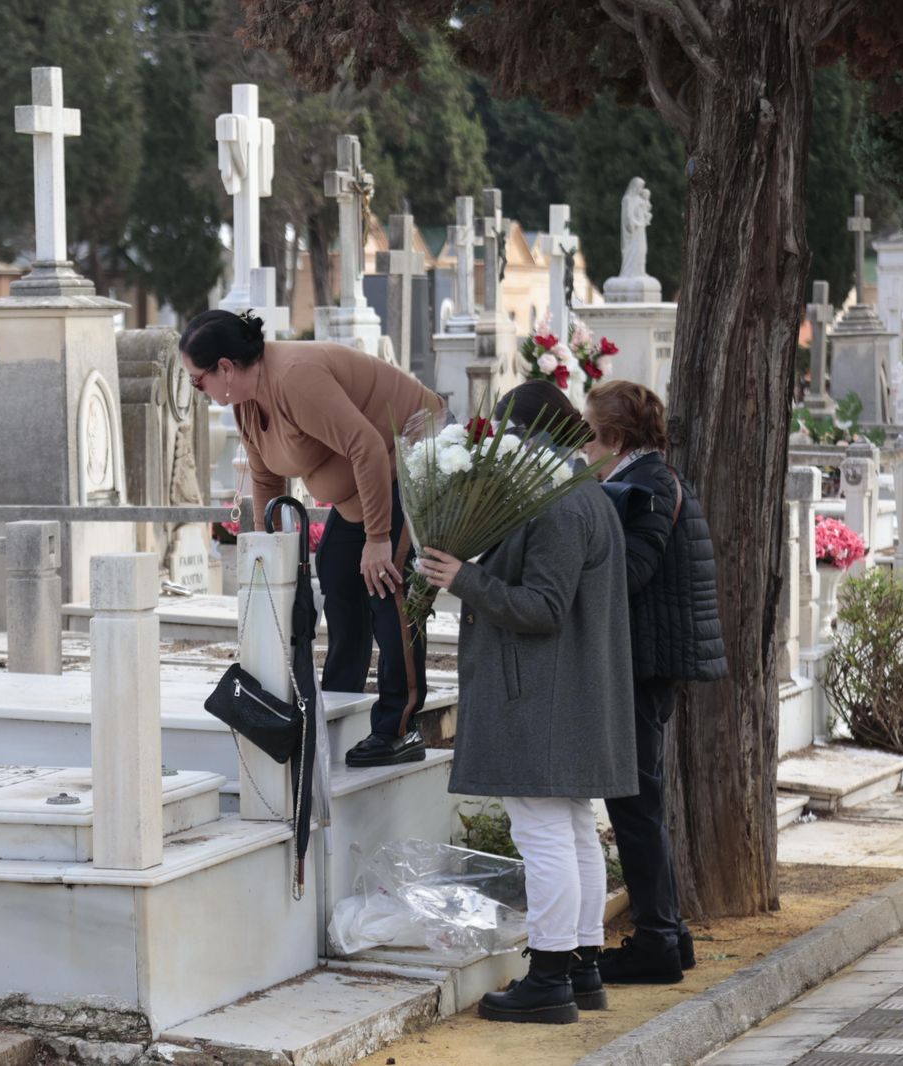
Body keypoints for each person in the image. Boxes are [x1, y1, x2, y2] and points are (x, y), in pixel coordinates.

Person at [418, 380, 637, 1024]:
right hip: (561, 693)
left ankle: (549, 978)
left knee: (544, 833)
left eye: (509, 437)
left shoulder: (560, 503)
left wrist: (465, 578)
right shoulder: (576, 491)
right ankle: (581, 966)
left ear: (530, 436)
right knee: (571, 831)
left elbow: (543, 608)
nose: (504, 450)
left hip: (542, 696)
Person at [178, 309, 447, 767]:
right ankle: (340, 699)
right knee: (337, 572)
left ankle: (399, 728)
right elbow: (266, 479)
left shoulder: (294, 378)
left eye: (196, 380)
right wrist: (272, 552)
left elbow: (364, 445)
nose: (196, 390)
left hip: (406, 460)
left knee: (387, 587)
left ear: (225, 367)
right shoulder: (246, 401)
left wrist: (379, 539)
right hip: (360, 491)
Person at [582, 380, 728, 985]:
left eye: (588, 434)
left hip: (644, 662)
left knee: (635, 804)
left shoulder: (643, 484)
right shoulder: (649, 479)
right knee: (642, 800)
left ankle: (658, 944)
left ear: (615, 438)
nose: (582, 447)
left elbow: (635, 570)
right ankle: (671, 933)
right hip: (651, 656)